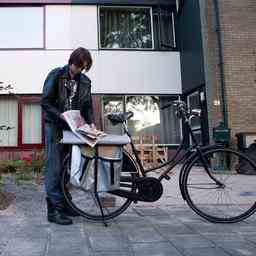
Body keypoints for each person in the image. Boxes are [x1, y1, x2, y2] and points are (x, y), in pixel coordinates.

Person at [41, 47, 95, 225]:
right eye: (78, 65)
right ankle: (54, 210)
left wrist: (91, 122)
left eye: (83, 67)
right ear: (71, 61)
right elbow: (45, 102)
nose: (79, 70)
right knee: (54, 167)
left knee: (67, 167)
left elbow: (87, 106)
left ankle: (64, 203)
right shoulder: (56, 75)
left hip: (74, 129)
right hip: (55, 126)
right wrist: (60, 115)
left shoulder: (85, 81)